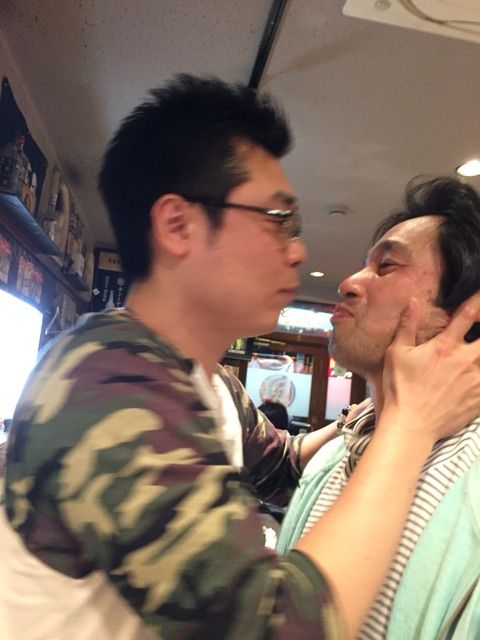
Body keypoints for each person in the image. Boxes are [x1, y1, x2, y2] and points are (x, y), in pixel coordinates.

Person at [2, 77, 480, 640]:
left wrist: (375, 412)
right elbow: (276, 629)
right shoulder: (109, 378)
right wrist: (409, 424)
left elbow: (282, 467)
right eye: (277, 220)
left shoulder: (211, 387)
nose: (298, 250)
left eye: (386, 266)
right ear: (179, 225)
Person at [278, 176, 480, 640]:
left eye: (386, 266)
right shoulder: (332, 457)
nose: (348, 284)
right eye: (363, 265)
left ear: (462, 313)